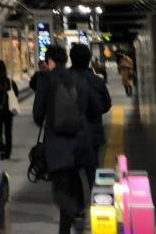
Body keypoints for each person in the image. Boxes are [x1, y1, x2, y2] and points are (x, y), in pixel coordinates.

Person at [34, 44, 101, 234]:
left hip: (57, 146)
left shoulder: (45, 80)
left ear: (50, 61)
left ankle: (76, 213)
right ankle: (68, 226)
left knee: (60, 192)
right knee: (73, 185)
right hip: (80, 143)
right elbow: (94, 107)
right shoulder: (79, 79)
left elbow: (37, 115)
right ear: (65, 60)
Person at [70, 43, 112, 184]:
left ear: (71, 59)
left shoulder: (64, 80)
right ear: (88, 59)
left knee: (70, 172)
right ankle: (97, 194)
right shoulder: (97, 81)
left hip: (70, 132)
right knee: (93, 170)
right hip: (93, 132)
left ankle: (74, 196)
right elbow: (107, 104)